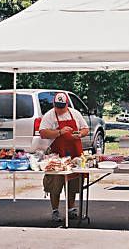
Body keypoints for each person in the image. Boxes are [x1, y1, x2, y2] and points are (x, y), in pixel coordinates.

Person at [39, 92, 89, 223]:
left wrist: (79, 134)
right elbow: (43, 133)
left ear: (67, 104)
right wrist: (59, 132)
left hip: (74, 153)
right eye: (57, 107)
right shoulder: (49, 115)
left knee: (73, 182)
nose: (60, 110)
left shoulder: (75, 113)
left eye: (62, 107)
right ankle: (55, 210)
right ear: (54, 105)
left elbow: (85, 129)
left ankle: (71, 209)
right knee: (55, 183)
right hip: (57, 155)